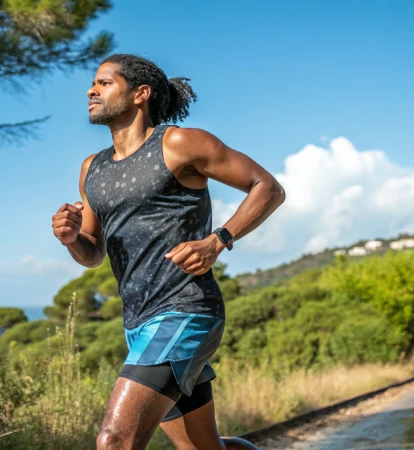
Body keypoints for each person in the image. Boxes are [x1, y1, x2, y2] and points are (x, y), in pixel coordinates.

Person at [51, 54, 285, 450]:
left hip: (186, 309)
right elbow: (93, 255)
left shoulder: (178, 143)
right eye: (93, 84)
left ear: (140, 94)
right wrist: (72, 237)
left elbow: (268, 187)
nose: (92, 90)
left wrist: (219, 239)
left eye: (105, 83)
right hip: (137, 323)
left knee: (114, 441)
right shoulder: (91, 168)